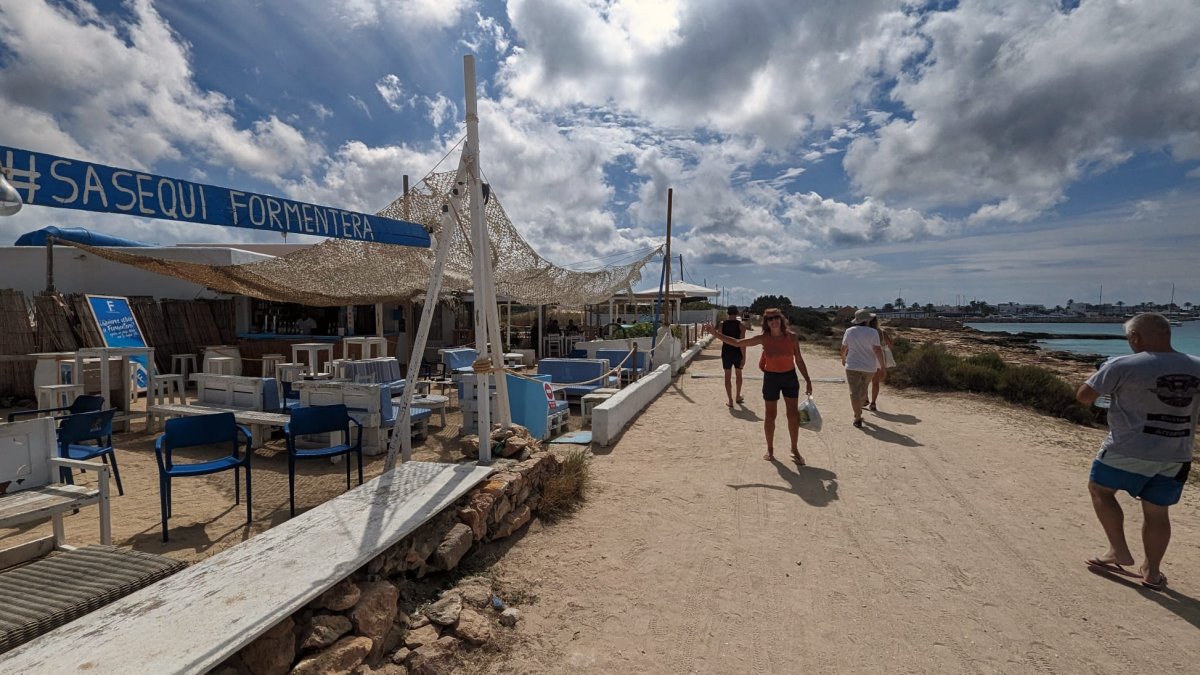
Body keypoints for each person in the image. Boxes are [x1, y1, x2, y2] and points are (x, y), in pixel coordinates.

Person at [1075, 313, 1200, 591]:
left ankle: (1118, 551)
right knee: (1157, 512)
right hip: (1176, 454)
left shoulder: (1121, 364)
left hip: (1126, 448)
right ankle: (1152, 572)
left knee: (1100, 490)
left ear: (1135, 338)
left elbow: (1084, 397)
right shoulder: (1196, 365)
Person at [708, 307, 813, 463]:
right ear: (766, 323)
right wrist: (716, 334)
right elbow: (737, 343)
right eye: (770, 319)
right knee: (770, 416)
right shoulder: (764, 338)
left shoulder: (792, 337)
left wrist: (808, 379)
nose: (774, 321)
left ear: (781, 319)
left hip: (790, 378)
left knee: (792, 415)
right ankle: (770, 450)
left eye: (776, 317)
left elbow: (798, 359)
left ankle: (794, 449)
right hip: (771, 378)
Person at [841, 309, 886, 428]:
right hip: (869, 367)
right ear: (867, 320)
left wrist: (843, 358)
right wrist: (882, 366)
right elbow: (877, 350)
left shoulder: (849, 331)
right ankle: (858, 412)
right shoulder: (873, 333)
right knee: (862, 390)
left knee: (854, 392)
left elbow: (844, 347)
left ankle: (857, 416)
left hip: (852, 366)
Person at [719, 305, 747, 407]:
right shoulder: (741, 325)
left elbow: (720, 337)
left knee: (727, 376)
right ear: (737, 313)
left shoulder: (722, 324)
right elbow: (742, 343)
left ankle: (730, 400)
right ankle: (738, 396)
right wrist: (744, 357)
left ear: (728, 313)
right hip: (737, 353)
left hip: (726, 352)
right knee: (738, 375)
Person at [868, 316, 895, 411]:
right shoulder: (881, 332)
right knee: (875, 382)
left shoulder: (865, 332)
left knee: (864, 380)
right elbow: (890, 345)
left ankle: (865, 398)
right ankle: (873, 403)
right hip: (879, 358)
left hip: (867, 356)